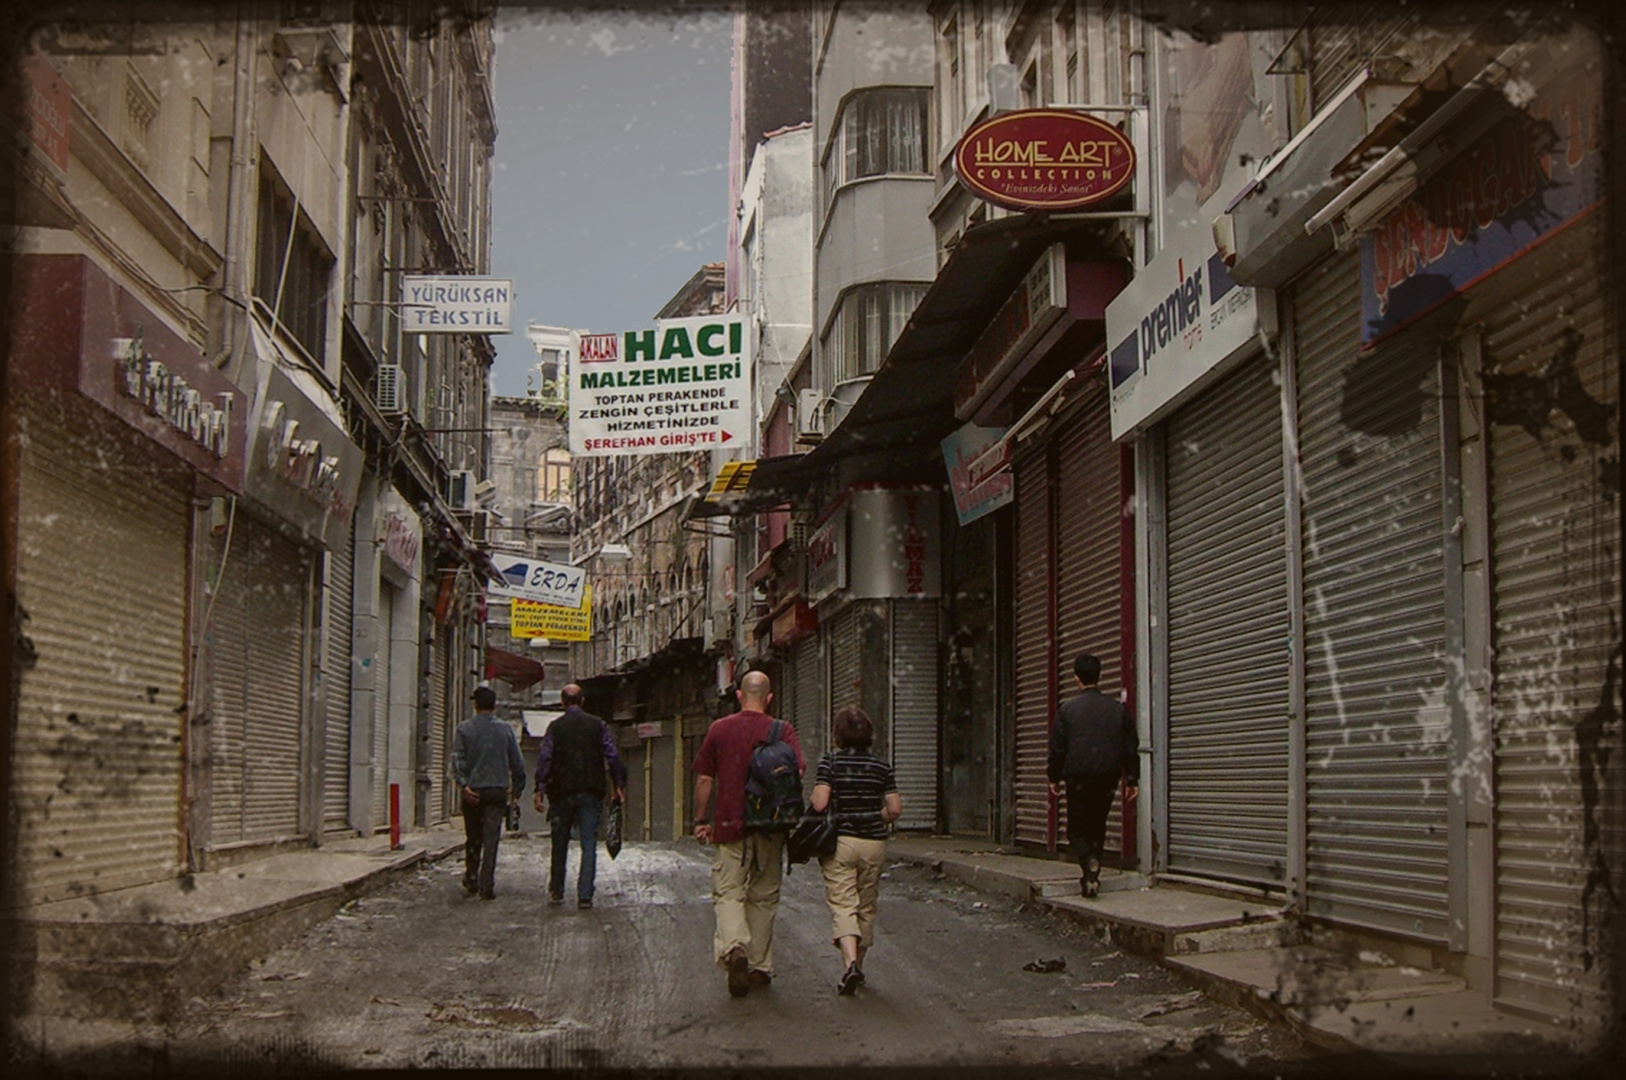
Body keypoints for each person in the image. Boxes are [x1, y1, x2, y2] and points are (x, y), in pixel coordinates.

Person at [691, 670, 804, 997]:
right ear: (769, 698)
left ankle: (735, 947)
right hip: (770, 826)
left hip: (730, 826)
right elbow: (796, 772)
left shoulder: (720, 729)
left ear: (739, 695)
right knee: (765, 895)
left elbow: (704, 780)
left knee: (729, 893)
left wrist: (701, 819)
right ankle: (758, 966)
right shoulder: (782, 730)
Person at [810, 706, 901, 996]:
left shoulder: (831, 763)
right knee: (866, 905)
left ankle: (850, 964)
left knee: (843, 903)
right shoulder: (881, 766)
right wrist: (877, 818)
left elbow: (820, 803)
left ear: (838, 735)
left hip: (842, 842)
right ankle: (858, 965)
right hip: (874, 842)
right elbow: (895, 809)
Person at [1046, 653, 1139, 898]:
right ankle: (1090, 878)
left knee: (1076, 829)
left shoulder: (1067, 710)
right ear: (1099, 676)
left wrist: (1053, 776)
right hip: (1107, 775)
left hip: (1078, 776)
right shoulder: (1118, 710)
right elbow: (1130, 745)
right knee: (1098, 824)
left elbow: (1057, 748)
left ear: (1077, 678)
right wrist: (1132, 778)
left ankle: (1088, 861)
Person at [533, 683, 626, 909]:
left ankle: (557, 889)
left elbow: (545, 758)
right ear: (583, 702)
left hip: (561, 792)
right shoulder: (598, 725)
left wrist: (540, 789)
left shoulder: (555, 728)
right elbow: (612, 755)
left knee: (559, 841)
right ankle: (585, 895)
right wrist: (618, 784)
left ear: (563, 702)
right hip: (590, 791)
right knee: (588, 843)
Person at [453, 685, 527, 901]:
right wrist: (518, 787)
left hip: (473, 791)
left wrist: (463, 784)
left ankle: (471, 877)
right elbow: (517, 761)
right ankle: (487, 884)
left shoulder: (464, 729)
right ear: (494, 706)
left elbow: (458, 759)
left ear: (476, 705)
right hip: (497, 791)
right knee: (491, 838)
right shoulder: (505, 730)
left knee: (473, 837)